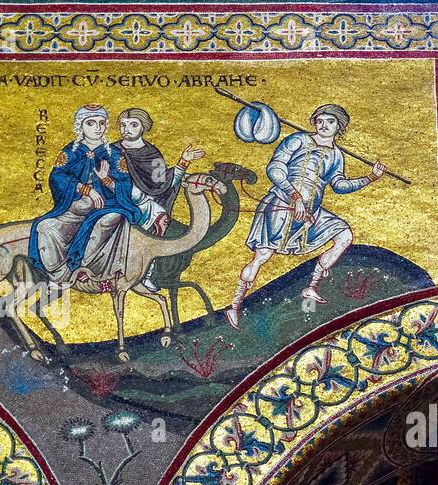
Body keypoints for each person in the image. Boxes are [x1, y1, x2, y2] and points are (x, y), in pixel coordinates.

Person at [223, 104, 385, 327]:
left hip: (312, 211)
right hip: (282, 203)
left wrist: (369, 178)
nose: (324, 125)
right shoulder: (298, 140)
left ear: (339, 126)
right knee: (262, 255)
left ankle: (312, 287)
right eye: (320, 121)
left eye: (330, 122)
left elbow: (338, 184)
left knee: (344, 235)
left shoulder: (336, 155)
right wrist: (294, 195)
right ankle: (234, 306)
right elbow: (275, 168)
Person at [29, 104, 161, 289]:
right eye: (90, 123)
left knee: (108, 221)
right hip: (77, 206)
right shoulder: (72, 151)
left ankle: (87, 269)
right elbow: (57, 176)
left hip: (108, 205)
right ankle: (62, 275)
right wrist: (85, 189)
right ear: (80, 127)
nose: (97, 128)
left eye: (101, 123)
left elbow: (125, 183)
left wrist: (105, 180)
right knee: (45, 227)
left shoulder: (113, 153)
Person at [113, 107, 205, 291]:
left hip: (143, 203)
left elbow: (163, 185)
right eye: (123, 125)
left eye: (133, 125)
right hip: (116, 198)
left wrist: (183, 162)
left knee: (160, 218)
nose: (127, 129)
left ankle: (145, 272)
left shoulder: (151, 155)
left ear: (143, 128)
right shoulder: (111, 151)